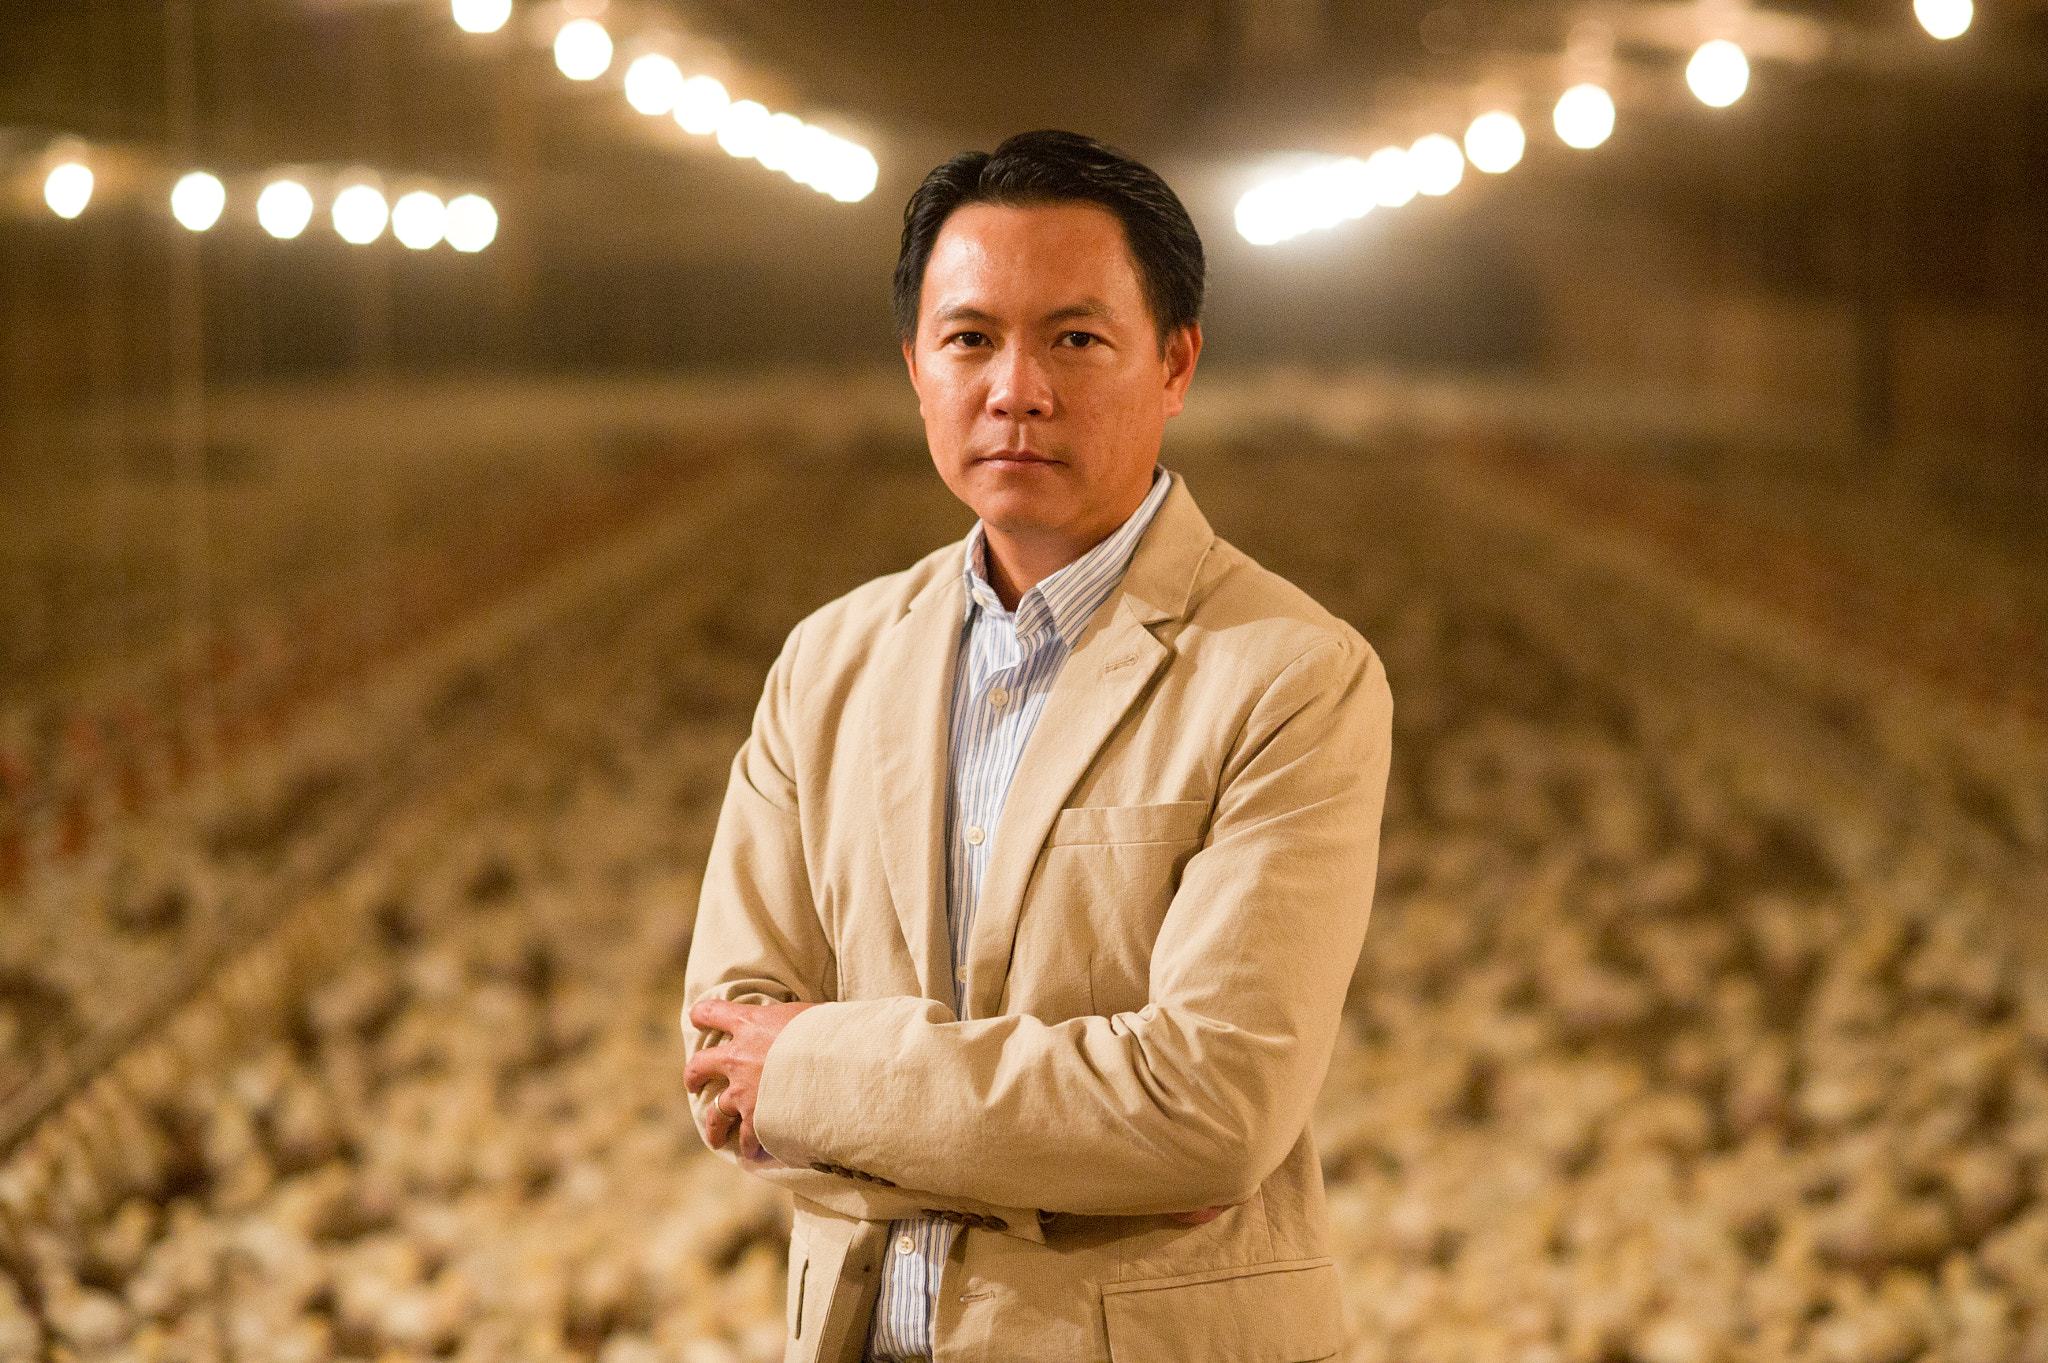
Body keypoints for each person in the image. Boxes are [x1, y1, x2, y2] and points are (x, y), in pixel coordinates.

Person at [682, 129, 1391, 1363]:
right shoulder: (826, 665)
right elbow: (727, 1064)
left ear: (1174, 364)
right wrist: (1076, 1146)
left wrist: (826, 1081)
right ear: (914, 367)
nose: (1016, 387)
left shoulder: (1288, 676)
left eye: (1073, 338)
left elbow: (1205, 1110)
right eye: (969, 339)